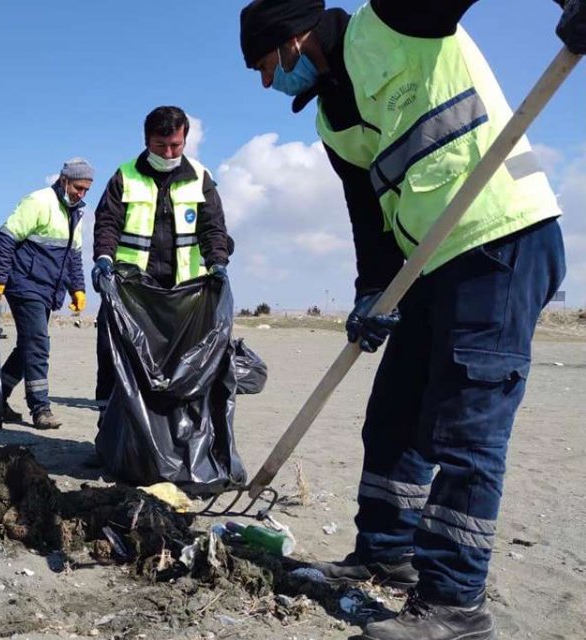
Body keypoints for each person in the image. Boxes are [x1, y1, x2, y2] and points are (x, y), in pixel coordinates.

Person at [238, 1, 581, 638]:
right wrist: (373, 293)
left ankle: (455, 606)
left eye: (264, 65)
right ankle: (385, 554)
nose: (266, 82)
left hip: (501, 236)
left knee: (465, 428)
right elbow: (368, 218)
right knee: (393, 415)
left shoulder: (392, 19)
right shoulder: (331, 121)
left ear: (291, 38)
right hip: (425, 265)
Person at [90, 106, 234, 406]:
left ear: (185, 140)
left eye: (175, 145)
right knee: (113, 351)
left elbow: (213, 229)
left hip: (182, 293)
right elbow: (107, 222)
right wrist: (103, 257)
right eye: (160, 146)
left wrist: (218, 262)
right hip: (131, 289)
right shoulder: (124, 176)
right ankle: (109, 419)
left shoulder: (200, 177)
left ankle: (173, 427)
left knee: (178, 360)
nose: (168, 153)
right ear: (146, 141)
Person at [0, 158, 93, 430]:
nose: (80, 194)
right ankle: (40, 407)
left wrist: (78, 288)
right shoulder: (38, 201)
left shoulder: (76, 213)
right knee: (38, 343)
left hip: (48, 289)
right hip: (23, 283)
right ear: (64, 180)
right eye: (78, 188)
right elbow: (6, 238)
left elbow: (74, 257)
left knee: (27, 346)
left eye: (86, 190)